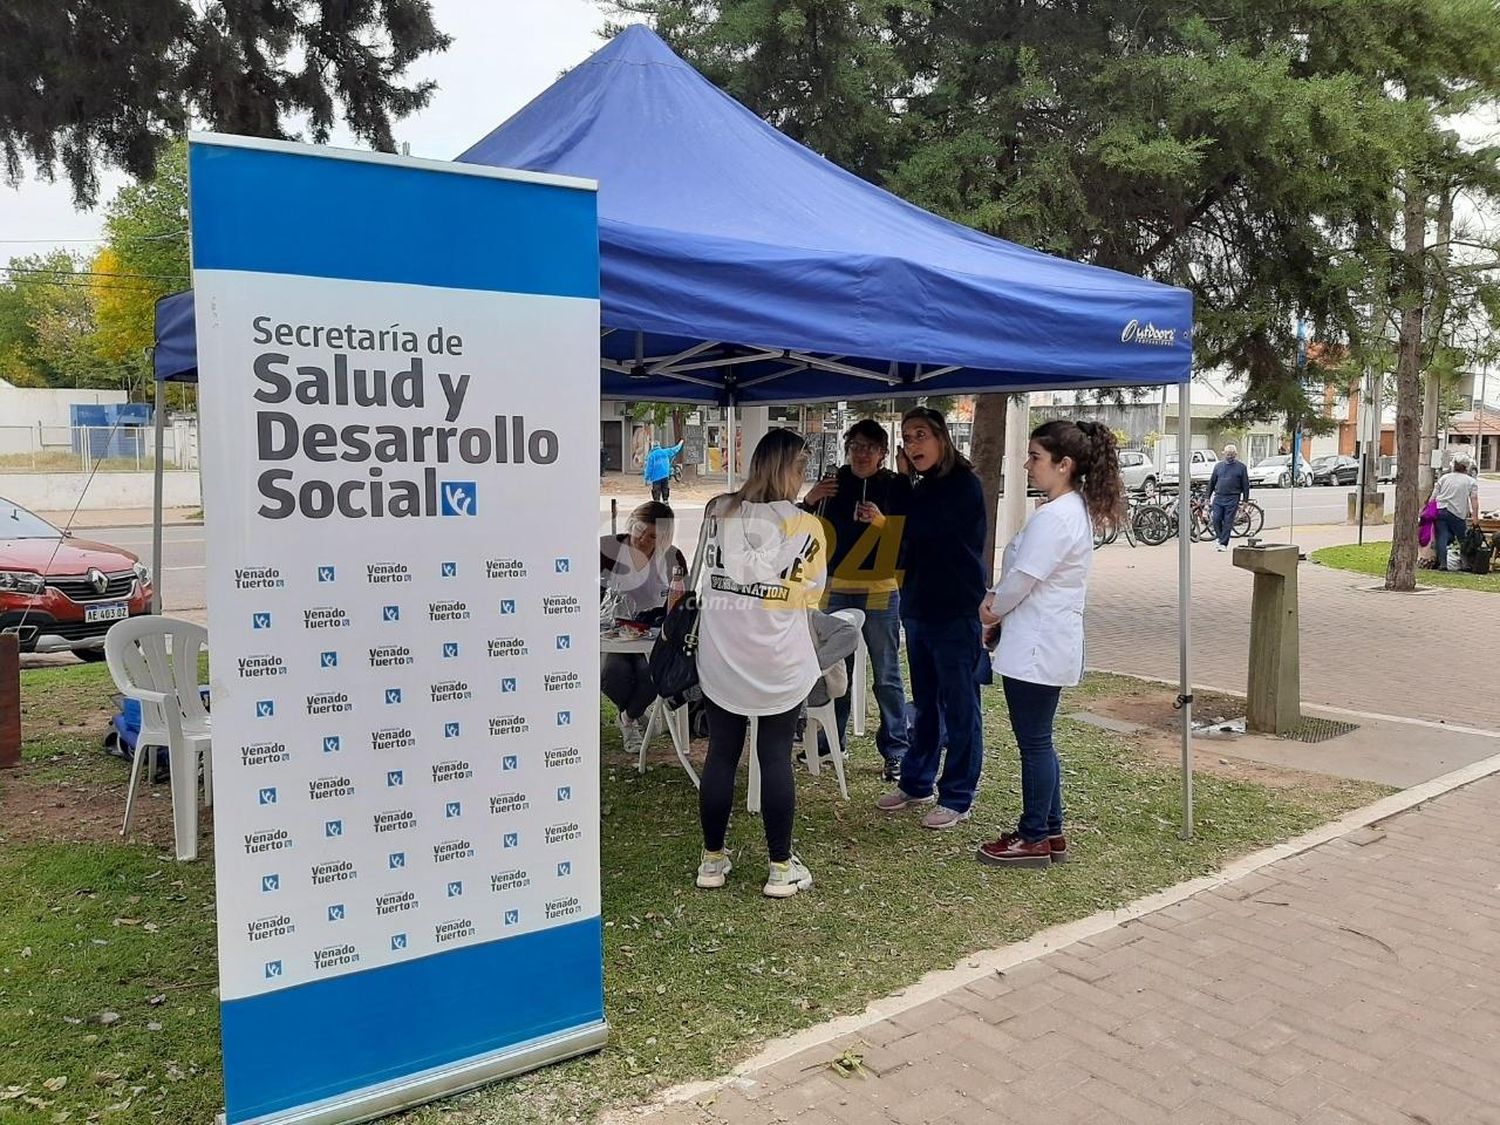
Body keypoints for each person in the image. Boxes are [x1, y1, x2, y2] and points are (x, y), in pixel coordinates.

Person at [976, 420, 1125, 868]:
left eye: (1036, 458)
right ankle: (1050, 829)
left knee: (1035, 742)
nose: (1027, 465)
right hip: (1040, 641)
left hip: (1038, 647)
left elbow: (1023, 578)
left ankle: (1034, 834)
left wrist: (991, 608)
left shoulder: (1058, 517)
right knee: (1039, 740)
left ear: (1065, 464)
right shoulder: (1065, 511)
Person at [695, 428, 827, 897]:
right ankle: (779, 867)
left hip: (722, 653)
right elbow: (811, 594)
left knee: (722, 754)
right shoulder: (806, 525)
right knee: (774, 755)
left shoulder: (718, 511)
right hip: (777, 657)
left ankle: (712, 860)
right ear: (790, 470)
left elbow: (704, 574)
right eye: (800, 468)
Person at [875, 407, 987, 830]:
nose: (912, 445)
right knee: (925, 704)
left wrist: (902, 482)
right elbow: (902, 533)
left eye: (920, 435)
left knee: (960, 706)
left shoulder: (964, 486)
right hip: (919, 608)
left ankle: (958, 794)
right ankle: (917, 781)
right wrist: (905, 483)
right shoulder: (920, 487)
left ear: (942, 438)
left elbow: (917, 528)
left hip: (955, 610)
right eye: (906, 437)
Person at [800, 420, 912, 781]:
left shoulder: (896, 485)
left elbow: (911, 538)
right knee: (835, 668)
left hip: (880, 589)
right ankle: (832, 743)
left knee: (886, 673)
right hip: (834, 586)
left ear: (882, 453)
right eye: (855, 446)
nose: (861, 453)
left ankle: (896, 749)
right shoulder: (833, 483)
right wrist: (810, 500)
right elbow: (805, 531)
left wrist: (881, 523)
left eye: (870, 447)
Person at [599, 502, 687, 753]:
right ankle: (636, 712)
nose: (643, 540)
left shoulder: (673, 558)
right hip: (611, 630)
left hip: (653, 633)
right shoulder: (608, 548)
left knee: (652, 673)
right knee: (612, 673)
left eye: (653, 537)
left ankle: (628, 719)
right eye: (639, 531)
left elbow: (682, 604)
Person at [1432, 456, 1480, 571]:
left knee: (1441, 537)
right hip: (1457, 512)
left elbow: (1433, 497)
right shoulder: (1470, 481)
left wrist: (1429, 510)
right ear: (1466, 467)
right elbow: (1474, 500)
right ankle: (1465, 564)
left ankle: (1443, 564)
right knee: (1462, 538)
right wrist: (1475, 517)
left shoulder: (1444, 478)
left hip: (1440, 510)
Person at [1207, 443, 1250, 552]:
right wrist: (1207, 496)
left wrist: (1245, 500)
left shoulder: (1241, 467)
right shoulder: (1218, 466)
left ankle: (1223, 543)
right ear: (1224, 454)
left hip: (1233, 497)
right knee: (1216, 518)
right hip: (1218, 497)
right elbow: (1212, 482)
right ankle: (1219, 537)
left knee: (1228, 521)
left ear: (1235, 454)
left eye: (1231, 454)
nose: (1229, 456)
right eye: (1227, 454)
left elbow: (1245, 484)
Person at [643, 439, 684, 503]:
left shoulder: (651, 456)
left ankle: (657, 503)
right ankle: (665, 501)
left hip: (656, 477)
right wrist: (681, 442)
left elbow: (649, 468)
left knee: (656, 491)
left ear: (652, 446)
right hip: (665, 475)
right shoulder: (665, 452)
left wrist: (646, 478)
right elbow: (675, 449)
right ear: (659, 446)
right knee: (665, 488)